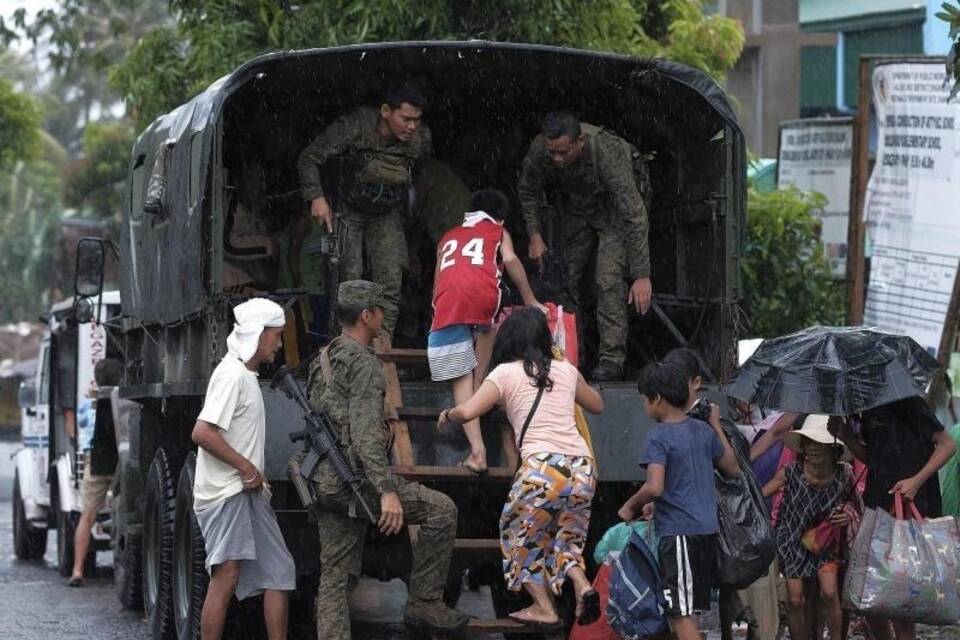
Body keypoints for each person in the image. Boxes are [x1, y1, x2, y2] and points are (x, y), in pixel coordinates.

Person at [307, 280, 469, 639]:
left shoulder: (324, 357)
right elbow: (365, 434)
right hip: (356, 481)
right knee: (441, 510)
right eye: (380, 309)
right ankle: (424, 601)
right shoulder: (364, 364)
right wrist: (386, 491)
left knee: (335, 575)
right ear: (366, 316)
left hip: (324, 479)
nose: (384, 315)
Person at [438, 307, 604, 628]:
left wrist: (448, 415)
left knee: (515, 534)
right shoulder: (565, 370)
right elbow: (597, 405)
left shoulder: (505, 374)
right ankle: (582, 586)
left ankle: (544, 606)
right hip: (582, 468)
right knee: (565, 539)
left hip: (543, 468)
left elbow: (469, 409)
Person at [517, 111, 652, 381]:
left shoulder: (607, 152)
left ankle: (611, 359)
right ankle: (568, 353)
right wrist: (535, 235)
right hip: (579, 207)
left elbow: (634, 215)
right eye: (552, 152)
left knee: (607, 278)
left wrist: (641, 274)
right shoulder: (541, 148)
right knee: (563, 278)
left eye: (563, 153)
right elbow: (528, 190)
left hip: (616, 212)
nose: (557, 159)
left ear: (580, 142)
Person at [191, 298, 296, 640]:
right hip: (227, 493)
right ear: (259, 334)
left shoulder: (246, 375)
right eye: (276, 336)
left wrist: (256, 477)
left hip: (248, 492)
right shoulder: (231, 375)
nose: (279, 345)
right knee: (226, 575)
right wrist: (247, 468)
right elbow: (202, 432)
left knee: (280, 571)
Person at [297, 84, 432, 342]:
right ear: (385, 111)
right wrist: (316, 197)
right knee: (349, 280)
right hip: (349, 210)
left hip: (387, 213)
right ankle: (346, 348)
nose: (412, 127)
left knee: (390, 280)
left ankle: (383, 350)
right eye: (405, 119)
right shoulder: (356, 125)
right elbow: (309, 158)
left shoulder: (420, 140)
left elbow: (421, 178)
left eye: (417, 120)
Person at [618, 362, 739, 640]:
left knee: (681, 617)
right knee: (691, 613)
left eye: (644, 400)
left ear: (657, 399)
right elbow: (732, 468)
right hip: (706, 532)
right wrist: (716, 426)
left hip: (679, 535)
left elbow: (655, 486)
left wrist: (631, 505)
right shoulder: (703, 431)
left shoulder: (658, 436)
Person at [429, 188, 544, 473]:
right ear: (501, 220)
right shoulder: (496, 231)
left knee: (459, 379)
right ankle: (481, 379)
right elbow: (512, 260)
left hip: (448, 304)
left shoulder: (447, 238)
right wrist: (531, 300)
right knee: (487, 323)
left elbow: (437, 283)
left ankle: (477, 453)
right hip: (483, 297)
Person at [828, 396, 957, 640]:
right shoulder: (867, 410)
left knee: (901, 597)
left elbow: (948, 444)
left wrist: (916, 482)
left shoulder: (910, 403)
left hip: (912, 508)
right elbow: (875, 458)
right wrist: (846, 436)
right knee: (868, 594)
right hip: (879, 507)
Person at [762, 416, 860, 640]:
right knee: (796, 599)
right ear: (803, 446)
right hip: (792, 540)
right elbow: (761, 496)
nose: (814, 449)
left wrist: (848, 515)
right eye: (810, 443)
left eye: (820, 443)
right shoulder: (791, 472)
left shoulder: (844, 474)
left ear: (832, 448)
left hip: (826, 541)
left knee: (829, 592)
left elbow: (858, 508)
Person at [67, 359, 122, 587]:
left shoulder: (90, 402)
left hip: (96, 460)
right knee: (124, 514)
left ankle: (77, 570)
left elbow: (80, 422)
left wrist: (92, 394)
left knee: (87, 516)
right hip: (120, 459)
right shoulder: (122, 398)